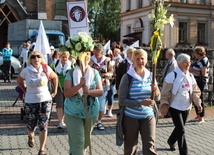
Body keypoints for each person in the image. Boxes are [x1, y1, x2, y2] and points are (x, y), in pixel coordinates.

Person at [118, 49, 160, 155]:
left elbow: (158, 98)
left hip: (148, 116)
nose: (140, 61)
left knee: (150, 146)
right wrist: (139, 103)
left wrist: (155, 91)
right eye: (137, 59)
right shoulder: (127, 77)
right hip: (131, 117)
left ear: (146, 60)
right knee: (130, 147)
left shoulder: (151, 76)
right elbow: (122, 101)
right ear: (133, 61)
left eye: (142, 58)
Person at [17, 51, 58, 155]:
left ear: (41, 58)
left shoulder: (46, 68)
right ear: (30, 59)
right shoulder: (26, 70)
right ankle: (31, 135)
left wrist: (55, 91)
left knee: (43, 125)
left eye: (38, 56)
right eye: (33, 57)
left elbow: (55, 77)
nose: (36, 58)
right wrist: (25, 90)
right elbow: (19, 81)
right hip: (31, 100)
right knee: (31, 123)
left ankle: (42, 149)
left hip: (45, 99)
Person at [160, 53, 202, 155]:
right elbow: (165, 93)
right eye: (185, 62)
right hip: (175, 106)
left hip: (186, 106)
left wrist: (198, 103)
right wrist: (164, 106)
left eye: (189, 62)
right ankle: (184, 152)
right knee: (181, 130)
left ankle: (171, 141)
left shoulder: (190, 76)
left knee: (180, 127)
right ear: (179, 63)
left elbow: (195, 91)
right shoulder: (172, 76)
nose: (188, 64)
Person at [64, 50, 103, 155]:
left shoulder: (95, 72)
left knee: (85, 141)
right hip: (73, 112)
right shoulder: (71, 72)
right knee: (78, 140)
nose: (86, 56)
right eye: (84, 54)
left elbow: (100, 91)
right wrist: (79, 85)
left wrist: (88, 91)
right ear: (78, 56)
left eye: (88, 54)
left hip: (90, 112)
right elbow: (66, 93)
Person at [90, 43, 114, 130]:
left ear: (102, 52)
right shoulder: (90, 60)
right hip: (92, 86)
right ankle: (91, 121)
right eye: (94, 51)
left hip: (103, 85)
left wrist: (105, 74)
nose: (96, 53)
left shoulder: (107, 60)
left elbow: (112, 72)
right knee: (91, 104)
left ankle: (99, 121)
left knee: (101, 105)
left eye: (98, 51)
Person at [50, 51, 72, 128]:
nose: (64, 59)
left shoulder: (71, 65)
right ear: (60, 57)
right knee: (59, 104)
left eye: (66, 57)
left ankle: (66, 120)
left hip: (68, 87)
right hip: (58, 87)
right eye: (63, 57)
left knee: (67, 104)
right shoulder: (54, 65)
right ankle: (60, 121)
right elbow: (50, 74)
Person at [189, 46, 210, 125]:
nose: (194, 54)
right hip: (195, 81)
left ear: (199, 53)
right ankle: (198, 115)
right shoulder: (198, 60)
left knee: (199, 98)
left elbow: (203, 74)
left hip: (200, 81)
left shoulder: (204, 60)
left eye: (195, 53)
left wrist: (193, 70)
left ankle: (201, 117)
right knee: (195, 97)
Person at [161, 48, 178, 118]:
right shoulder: (169, 62)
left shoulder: (173, 63)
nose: (165, 55)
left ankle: (169, 112)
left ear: (169, 55)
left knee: (169, 97)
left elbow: (173, 73)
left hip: (170, 83)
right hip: (167, 81)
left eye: (166, 54)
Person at [105, 49, 115, 117]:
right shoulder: (103, 62)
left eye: (110, 55)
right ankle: (103, 108)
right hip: (103, 81)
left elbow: (113, 72)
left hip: (111, 81)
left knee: (110, 96)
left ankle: (110, 110)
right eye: (107, 55)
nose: (108, 57)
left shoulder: (113, 62)